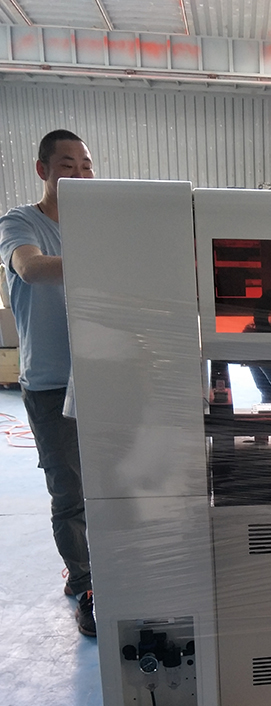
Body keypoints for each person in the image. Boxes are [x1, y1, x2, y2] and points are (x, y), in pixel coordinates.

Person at [0, 130, 96, 636]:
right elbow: (32, 268)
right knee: (69, 491)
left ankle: (111, 570)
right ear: (43, 170)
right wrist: (110, 264)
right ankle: (84, 583)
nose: (79, 173)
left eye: (86, 165)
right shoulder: (21, 222)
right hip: (50, 381)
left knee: (114, 485)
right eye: (67, 164)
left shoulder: (99, 224)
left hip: (103, 375)